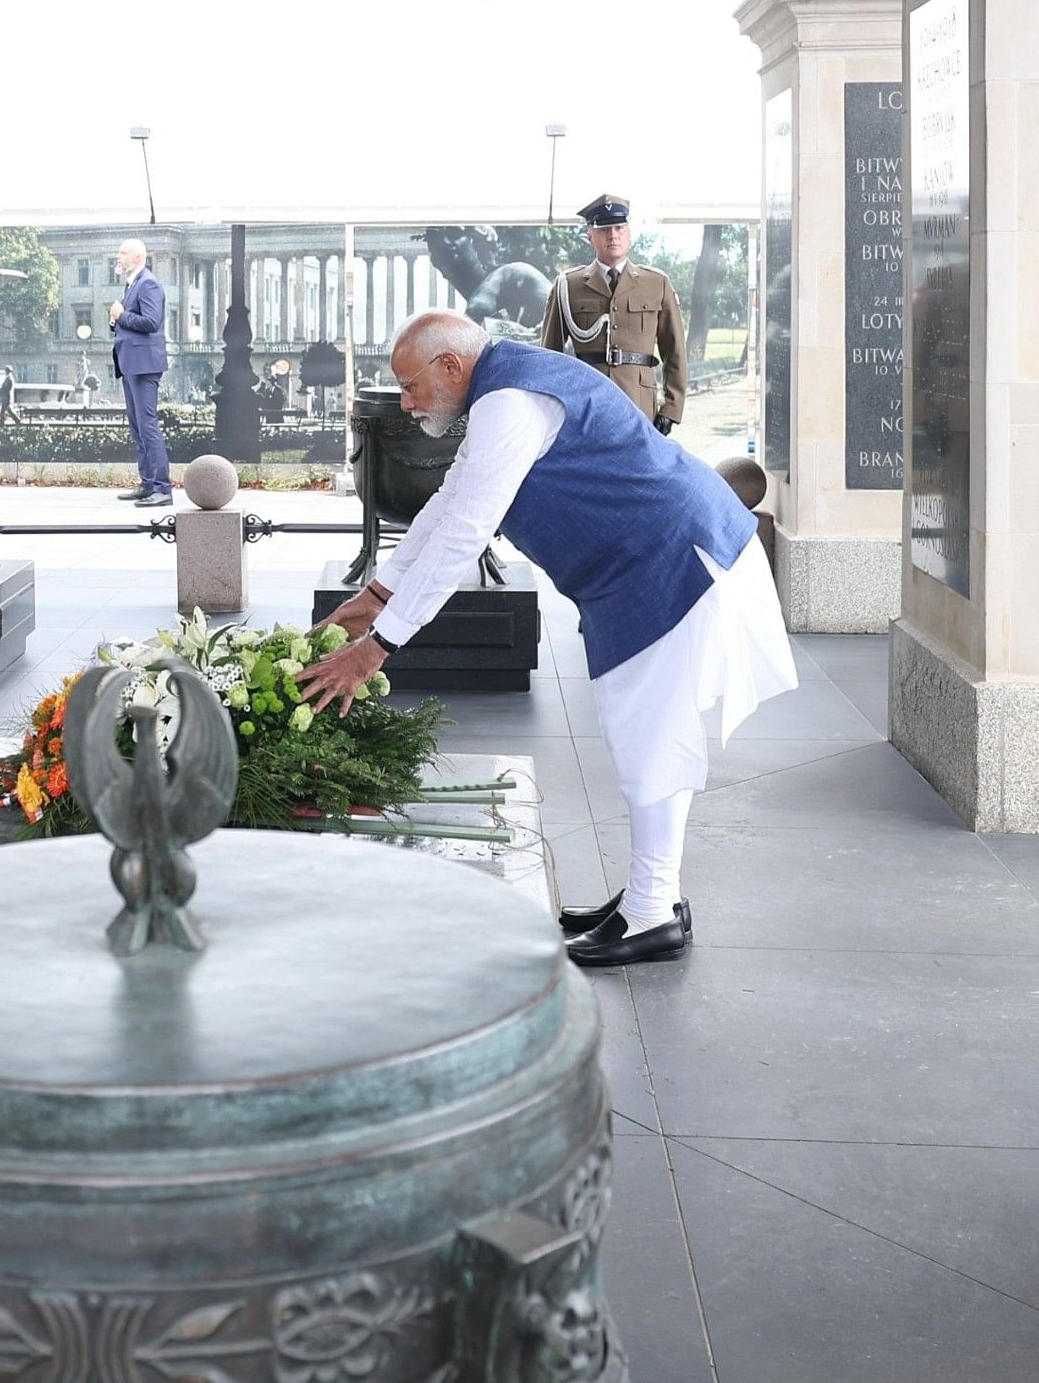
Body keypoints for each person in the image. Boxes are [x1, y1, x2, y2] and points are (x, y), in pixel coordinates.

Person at [297, 310, 793, 967]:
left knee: (650, 736)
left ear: (450, 365)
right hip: (649, 562)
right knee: (642, 732)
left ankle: (653, 912)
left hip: (675, 559)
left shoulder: (509, 400)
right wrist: (378, 594)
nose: (409, 403)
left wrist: (378, 646)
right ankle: (651, 899)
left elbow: (465, 535)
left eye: (412, 387)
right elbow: (449, 502)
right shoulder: (502, 390)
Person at [539, 193, 685, 432]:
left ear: (629, 232)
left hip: (640, 403)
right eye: (604, 229)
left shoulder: (657, 283)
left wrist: (671, 408)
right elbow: (549, 355)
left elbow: (675, 351)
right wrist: (554, 407)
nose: (613, 235)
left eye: (619, 227)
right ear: (590, 235)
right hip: (586, 403)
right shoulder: (567, 286)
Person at [108, 238, 170, 506]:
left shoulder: (148, 283)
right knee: (138, 427)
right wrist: (116, 322)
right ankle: (147, 484)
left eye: (122, 253)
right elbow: (134, 322)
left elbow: (151, 322)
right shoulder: (133, 283)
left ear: (137, 257)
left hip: (144, 365)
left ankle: (162, 488)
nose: (117, 257)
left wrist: (121, 316)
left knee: (147, 425)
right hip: (132, 363)